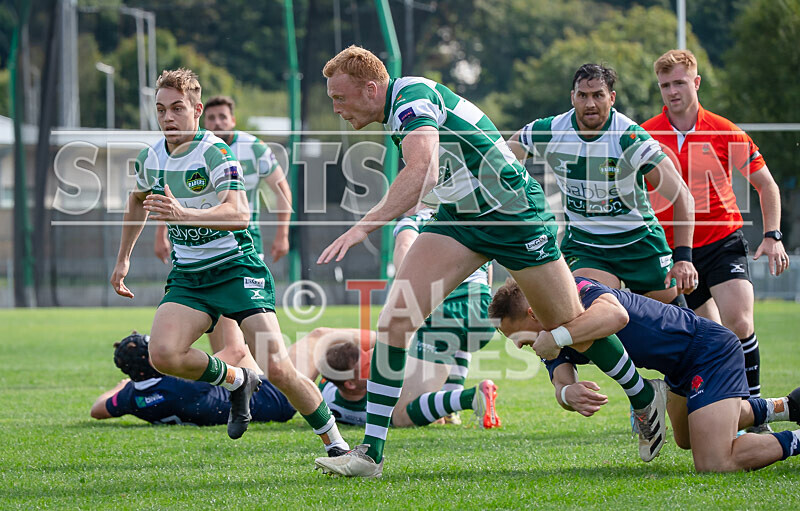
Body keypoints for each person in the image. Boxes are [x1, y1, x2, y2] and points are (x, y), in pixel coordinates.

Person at [314, 46, 665, 477]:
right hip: (460, 218)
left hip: (512, 215)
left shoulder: (411, 96)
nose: (336, 108)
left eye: (340, 97)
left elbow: (421, 169)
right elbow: (433, 174)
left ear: (371, 88)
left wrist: (361, 227)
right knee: (396, 320)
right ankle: (370, 455)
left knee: (572, 325)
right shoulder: (396, 111)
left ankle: (643, 395)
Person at [110, 68, 347, 455]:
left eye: (177, 108)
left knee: (278, 369)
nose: (168, 117)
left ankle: (337, 445)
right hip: (189, 276)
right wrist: (123, 260)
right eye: (160, 110)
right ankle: (237, 381)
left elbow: (240, 215)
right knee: (164, 354)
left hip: (237, 270)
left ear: (197, 109)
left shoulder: (216, 151)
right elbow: (136, 202)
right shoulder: (150, 157)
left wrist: (183, 215)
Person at [489, 277, 800, 472]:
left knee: (715, 462)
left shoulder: (574, 295)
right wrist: (567, 394)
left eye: (520, 337)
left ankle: (796, 440)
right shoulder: (548, 338)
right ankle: (789, 406)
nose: (521, 347)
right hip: (678, 367)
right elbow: (561, 380)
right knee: (687, 439)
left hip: (708, 350)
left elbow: (616, 315)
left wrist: (556, 337)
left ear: (533, 314)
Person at [642, 50, 789, 417]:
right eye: (664, 85)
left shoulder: (724, 130)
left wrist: (772, 235)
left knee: (739, 322)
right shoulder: (644, 134)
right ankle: (700, 407)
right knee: (708, 338)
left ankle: (754, 413)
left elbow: (766, 185)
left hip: (722, 242)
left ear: (696, 82)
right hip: (675, 254)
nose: (672, 91)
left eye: (678, 82)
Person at [508, 63, 698, 305]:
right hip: (586, 246)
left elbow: (682, 196)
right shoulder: (551, 130)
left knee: (670, 323)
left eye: (598, 95)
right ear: (572, 97)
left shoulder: (630, 137)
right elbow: (505, 158)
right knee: (587, 307)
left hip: (639, 242)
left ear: (612, 98)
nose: (590, 104)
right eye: (583, 95)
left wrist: (683, 258)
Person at [154, 95, 293, 367]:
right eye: (212, 118)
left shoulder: (254, 147)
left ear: (233, 120)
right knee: (219, 335)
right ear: (203, 118)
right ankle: (235, 389)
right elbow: (168, 198)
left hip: (238, 247)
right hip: (196, 250)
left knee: (236, 342)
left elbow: (281, 190)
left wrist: (282, 234)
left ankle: (242, 384)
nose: (217, 122)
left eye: (223, 117)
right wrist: (161, 235)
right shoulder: (188, 149)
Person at [289, 327, 500, 429]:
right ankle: (470, 397)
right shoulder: (380, 393)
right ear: (351, 384)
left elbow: (324, 376)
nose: (375, 362)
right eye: (366, 365)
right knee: (403, 416)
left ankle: (458, 403)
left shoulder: (326, 390)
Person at [91, 332, 295, 426]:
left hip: (247, 388)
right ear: (153, 361)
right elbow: (236, 351)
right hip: (272, 400)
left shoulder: (132, 396)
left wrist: (123, 386)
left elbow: (97, 410)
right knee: (318, 336)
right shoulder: (182, 383)